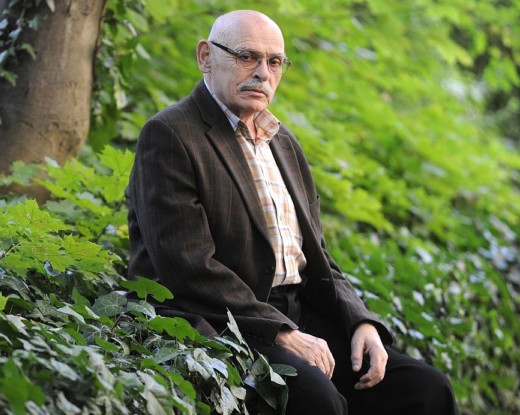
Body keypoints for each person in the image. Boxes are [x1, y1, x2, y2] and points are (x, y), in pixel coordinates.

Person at [125, 9, 459, 415]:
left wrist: (361, 321)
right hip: (223, 321)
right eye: (247, 57)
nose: (262, 73)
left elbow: (317, 255)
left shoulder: (282, 141)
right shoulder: (171, 134)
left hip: (300, 312)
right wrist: (279, 331)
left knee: (427, 390)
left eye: (275, 62)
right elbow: (188, 266)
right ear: (206, 57)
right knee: (320, 402)